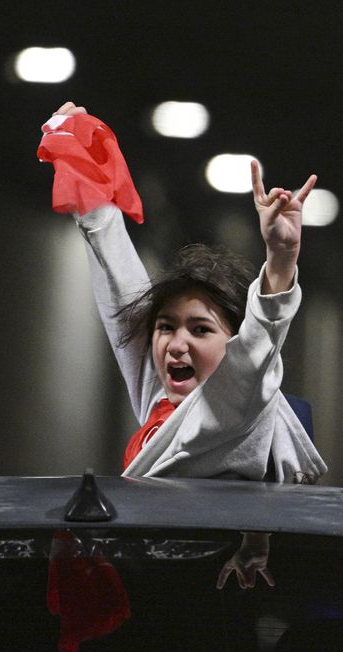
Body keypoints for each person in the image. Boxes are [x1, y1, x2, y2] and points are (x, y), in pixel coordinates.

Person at [40, 102, 327, 587]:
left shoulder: (230, 409)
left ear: (234, 344)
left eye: (200, 329)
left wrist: (281, 258)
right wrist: (79, 162)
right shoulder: (163, 402)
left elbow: (259, 341)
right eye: (166, 326)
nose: (176, 344)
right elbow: (121, 290)